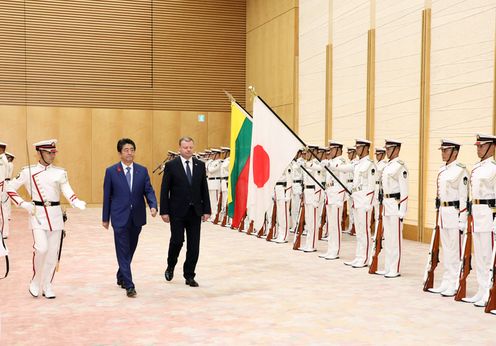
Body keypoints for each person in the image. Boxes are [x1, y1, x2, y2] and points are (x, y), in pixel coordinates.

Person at [7, 139, 86, 299]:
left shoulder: (60, 172)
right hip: (37, 215)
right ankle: (36, 280)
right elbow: (9, 187)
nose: (52, 155)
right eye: (49, 152)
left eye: (53, 153)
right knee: (41, 248)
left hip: (55, 215)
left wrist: (75, 201)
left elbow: (67, 190)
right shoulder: (27, 171)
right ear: (40, 153)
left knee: (52, 254)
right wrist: (22, 203)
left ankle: (48, 285)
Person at [102, 138, 157, 298]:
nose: (129, 153)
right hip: (119, 216)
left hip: (137, 217)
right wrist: (105, 217)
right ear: (120, 153)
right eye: (126, 150)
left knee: (130, 249)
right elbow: (107, 196)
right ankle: (129, 285)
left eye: (132, 149)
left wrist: (153, 205)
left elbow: (149, 190)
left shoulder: (142, 170)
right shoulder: (112, 171)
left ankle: (121, 275)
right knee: (122, 249)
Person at [160, 136, 211, 287]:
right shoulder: (171, 165)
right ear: (180, 149)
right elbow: (165, 190)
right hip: (177, 211)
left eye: (190, 147)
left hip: (195, 211)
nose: (188, 150)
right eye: (185, 147)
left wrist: (207, 209)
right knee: (177, 241)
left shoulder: (200, 165)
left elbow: (204, 189)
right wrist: (164, 211)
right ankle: (171, 265)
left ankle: (189, 275)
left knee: (194, 246)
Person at [428, 139, 468, 296]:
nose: (443, 153)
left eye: (445, 150)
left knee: (455, 251)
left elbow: (464, 197)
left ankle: (455, 283)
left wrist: (462, 220)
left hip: (454, 213)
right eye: (442, 150)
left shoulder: (460, 171)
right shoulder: (442, 170)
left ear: (455, 152)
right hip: (443, 215)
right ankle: (446, 281)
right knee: (446, 251)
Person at [462, 134, 496, 307]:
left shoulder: (493, 168)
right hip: (477, 215)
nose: (478, 149)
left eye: (481, 146)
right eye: (477, 146)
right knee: (480, 257)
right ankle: (482, 290)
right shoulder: (477, 168)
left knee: (488, 256)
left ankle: (490, 293)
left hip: (489, 215)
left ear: (491, 147)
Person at [376, 139, 408, 278]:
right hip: (387, 204)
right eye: (387, 149)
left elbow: (405, 190)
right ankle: (388, 266)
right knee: (388, 238)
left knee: (395, 239)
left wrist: (403, 210)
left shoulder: (400, 167)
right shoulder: (388, 166)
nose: (387, 151)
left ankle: (394, 268)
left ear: (397, 149)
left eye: (389, 149)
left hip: (395, 205)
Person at [342, 139, 376, 268]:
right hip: (357, 201)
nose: (356, 149)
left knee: (365, 231)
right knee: (359, 232)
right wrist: (329, 165)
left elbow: (373, 187)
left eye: (359, 147)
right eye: (356, 147)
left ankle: (365, 258)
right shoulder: (357, 164)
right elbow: (344, 168)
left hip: (364, 203)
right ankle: (359, 256)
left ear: (366, 148)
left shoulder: (369, 165)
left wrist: (369, 203)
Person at [319, 140, 347, 260]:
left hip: (336, 197)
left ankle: (335, 251)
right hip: (330, 196)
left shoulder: (341, 161)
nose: (330, 151)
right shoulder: (331, 161)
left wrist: (341, 198)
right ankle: (330, 249)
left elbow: (343, 181)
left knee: (335, 225)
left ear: (338, 150)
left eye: (332, 149)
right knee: (331, 225)